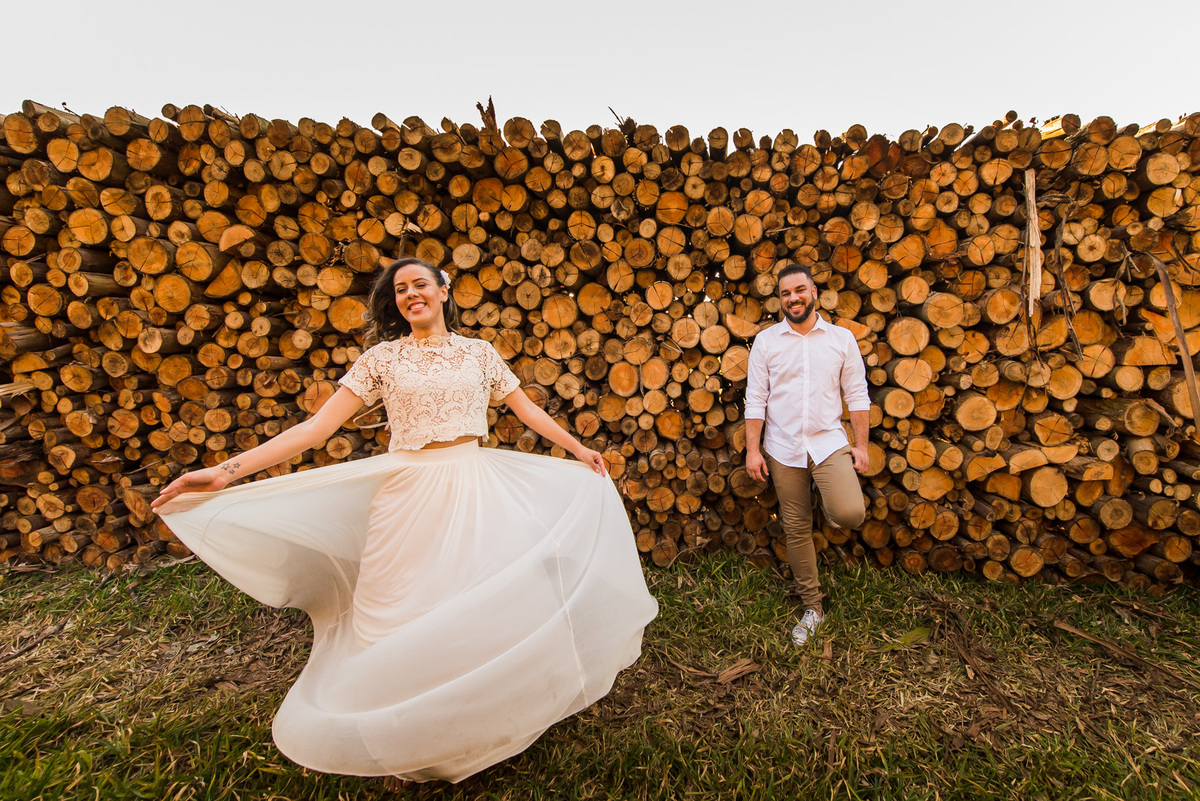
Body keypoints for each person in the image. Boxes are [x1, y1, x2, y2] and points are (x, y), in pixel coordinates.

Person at [152, 257, 658, 784]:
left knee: (476, 607)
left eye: (420, 284)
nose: (410, 294)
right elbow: (315, 429)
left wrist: (578, 449)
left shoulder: (479, 353)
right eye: (400, 290)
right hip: (407, 496)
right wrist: (223, 472)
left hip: (475, 488)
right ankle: (404, 734)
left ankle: (474, 725)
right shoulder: (381, 360)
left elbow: (526, 409)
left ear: (444, 290)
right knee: (396, 613)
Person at [743, 262, 870, 646]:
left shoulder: (841, 339)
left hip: (828, 442)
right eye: (785, 293)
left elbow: (857, 394)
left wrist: (861, 446)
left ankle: (825, 498)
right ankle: (812, 606)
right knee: (796, 528)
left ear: (814, 292)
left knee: (850, 513)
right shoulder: (767, 341)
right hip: (782, 448)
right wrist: (753, 450)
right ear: (779, 299)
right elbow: (756, 399)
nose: (793, 298)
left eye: (799, 290)